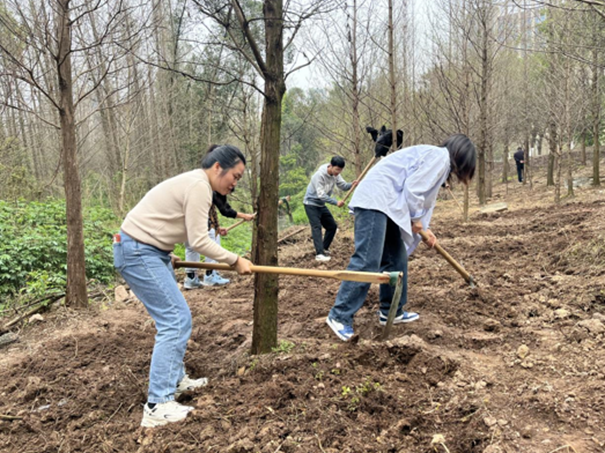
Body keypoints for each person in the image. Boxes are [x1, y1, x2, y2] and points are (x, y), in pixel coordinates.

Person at [113, 145, 253, 427]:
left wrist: (162, 247)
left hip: (149, 249)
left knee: (174, 317)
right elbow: (200, 241)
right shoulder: (199, 186)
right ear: (217, 167)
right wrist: (235, 259)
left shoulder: (196, 184)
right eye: (234, 176)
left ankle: (174, 381)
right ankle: (157, 405)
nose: (235, 183)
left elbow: (186, 232)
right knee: (176, 319)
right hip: (139, 251)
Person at [325, 134, 476, 341]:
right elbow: (414, 189)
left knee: (396, 259)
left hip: (387, 205)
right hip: (375, 201)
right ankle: (339, 316)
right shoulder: (440, 158)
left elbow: (421, 197)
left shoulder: (436, 159)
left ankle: (391, 311)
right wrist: (415, 220)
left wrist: (425, 227)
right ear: (462, 159)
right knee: (368, 259)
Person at [184, 186, 255, 289]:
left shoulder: (198, 189)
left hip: (187, 223)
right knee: (211, 244)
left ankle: (191, 279)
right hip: (200, 223)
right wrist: (244, 215)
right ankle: (210, 275)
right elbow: (225, 209)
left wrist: (217, 227)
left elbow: (211, 211)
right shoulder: (211, 189)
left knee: (191, 247)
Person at [303, 156, 358, 262]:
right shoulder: (319, 176)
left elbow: (343, 186)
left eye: (340, 170)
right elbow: (321, 195)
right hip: (311, 203)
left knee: (332, 226)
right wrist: (335, 202)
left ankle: (323, 248)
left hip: (321, 205)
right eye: (337, 169)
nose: (338, 172)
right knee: (316, 227)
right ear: (330, 166)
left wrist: (352, 184)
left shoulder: (336, 175)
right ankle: (319, 254)